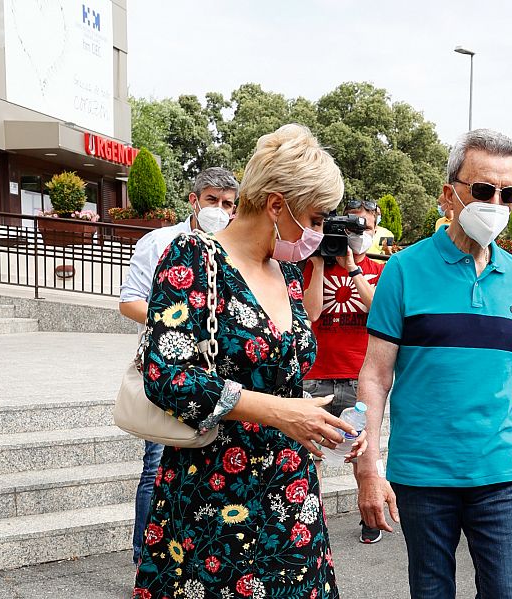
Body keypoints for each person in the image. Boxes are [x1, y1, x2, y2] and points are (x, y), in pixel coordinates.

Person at [132, 124, 367, 599]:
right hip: (214, 491)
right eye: (316, 218)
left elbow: (278, 378)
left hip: (290, 491)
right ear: (277, 205)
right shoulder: (196, 257)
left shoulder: (286, 271)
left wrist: (317, 420)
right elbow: (168, 376)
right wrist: (279, 412)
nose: (319, 232)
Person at [355, 129, 512, 599]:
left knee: (507, 592)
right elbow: (376, 374)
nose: (497, 203)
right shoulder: (402, 270)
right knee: (431, 591)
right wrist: (370, 465)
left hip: (500, 473)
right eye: (484, 190)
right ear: (450, 194)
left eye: (509, 194)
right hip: (423, 473)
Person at [118, 166, 238, 565]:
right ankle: (144, 559)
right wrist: (177, 321)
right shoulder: (159, 242)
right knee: (156, 464)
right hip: (173, 370)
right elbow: (130, 300)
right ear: (193, 200)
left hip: (223, 376)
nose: (220, 211)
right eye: (212, 201)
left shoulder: (237, 247)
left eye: (228, 204)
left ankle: (199, 557)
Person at [302, 197, 385, 544]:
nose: (352, 235)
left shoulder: (380, 269)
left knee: (359, 451)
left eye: (360, 227)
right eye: (346, 226)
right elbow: (311, 315)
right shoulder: (311, 265)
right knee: (312, 454)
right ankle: (309, 524)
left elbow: (378, 309)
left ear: (373, 228)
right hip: (317, 372)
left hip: (358, 374)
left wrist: (353, 269)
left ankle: (369, 514)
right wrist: (321, 263)